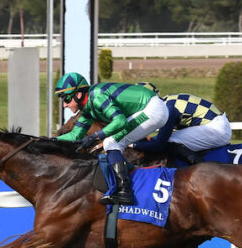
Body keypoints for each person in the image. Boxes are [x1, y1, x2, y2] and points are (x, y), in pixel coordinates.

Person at [54, 72, 168, 205]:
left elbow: (120, 121)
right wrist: (49, 140)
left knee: (111, 142)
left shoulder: (97, 97)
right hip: (148, 109)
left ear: (78, 95)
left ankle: (125, 191)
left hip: (153, 109)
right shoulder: (88, 108)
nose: (64, 105)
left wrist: (96, 136)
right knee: (112, 142)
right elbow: (75, 135)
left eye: (66, 99)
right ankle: (127, 178)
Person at [131, 93, 232, 164]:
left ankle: (203, 169)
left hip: (217, 129)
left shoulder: (167, 110)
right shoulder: (168, 101)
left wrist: (134, 145)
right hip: (218, 125)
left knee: (171, 141)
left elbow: (159, 145)